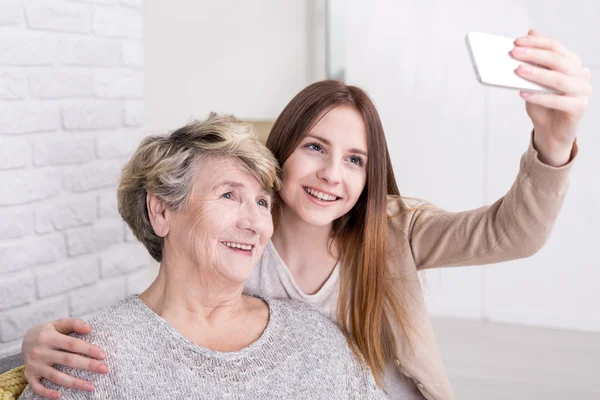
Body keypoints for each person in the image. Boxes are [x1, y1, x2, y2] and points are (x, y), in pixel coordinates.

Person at [17, 30, 591, 400]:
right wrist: (35, 349)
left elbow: (510, 232)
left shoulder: (392, 231)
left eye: (356, 160)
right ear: (282, 153)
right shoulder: (243, 244)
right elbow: (165, 317)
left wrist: (554, 142)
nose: (332, 175)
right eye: (315, 148)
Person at [17, 114, 389, 399]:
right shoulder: (88, 359)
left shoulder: (314, 336)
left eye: (262, 202)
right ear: (161, 211)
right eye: (229, 195)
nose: (254, 223)